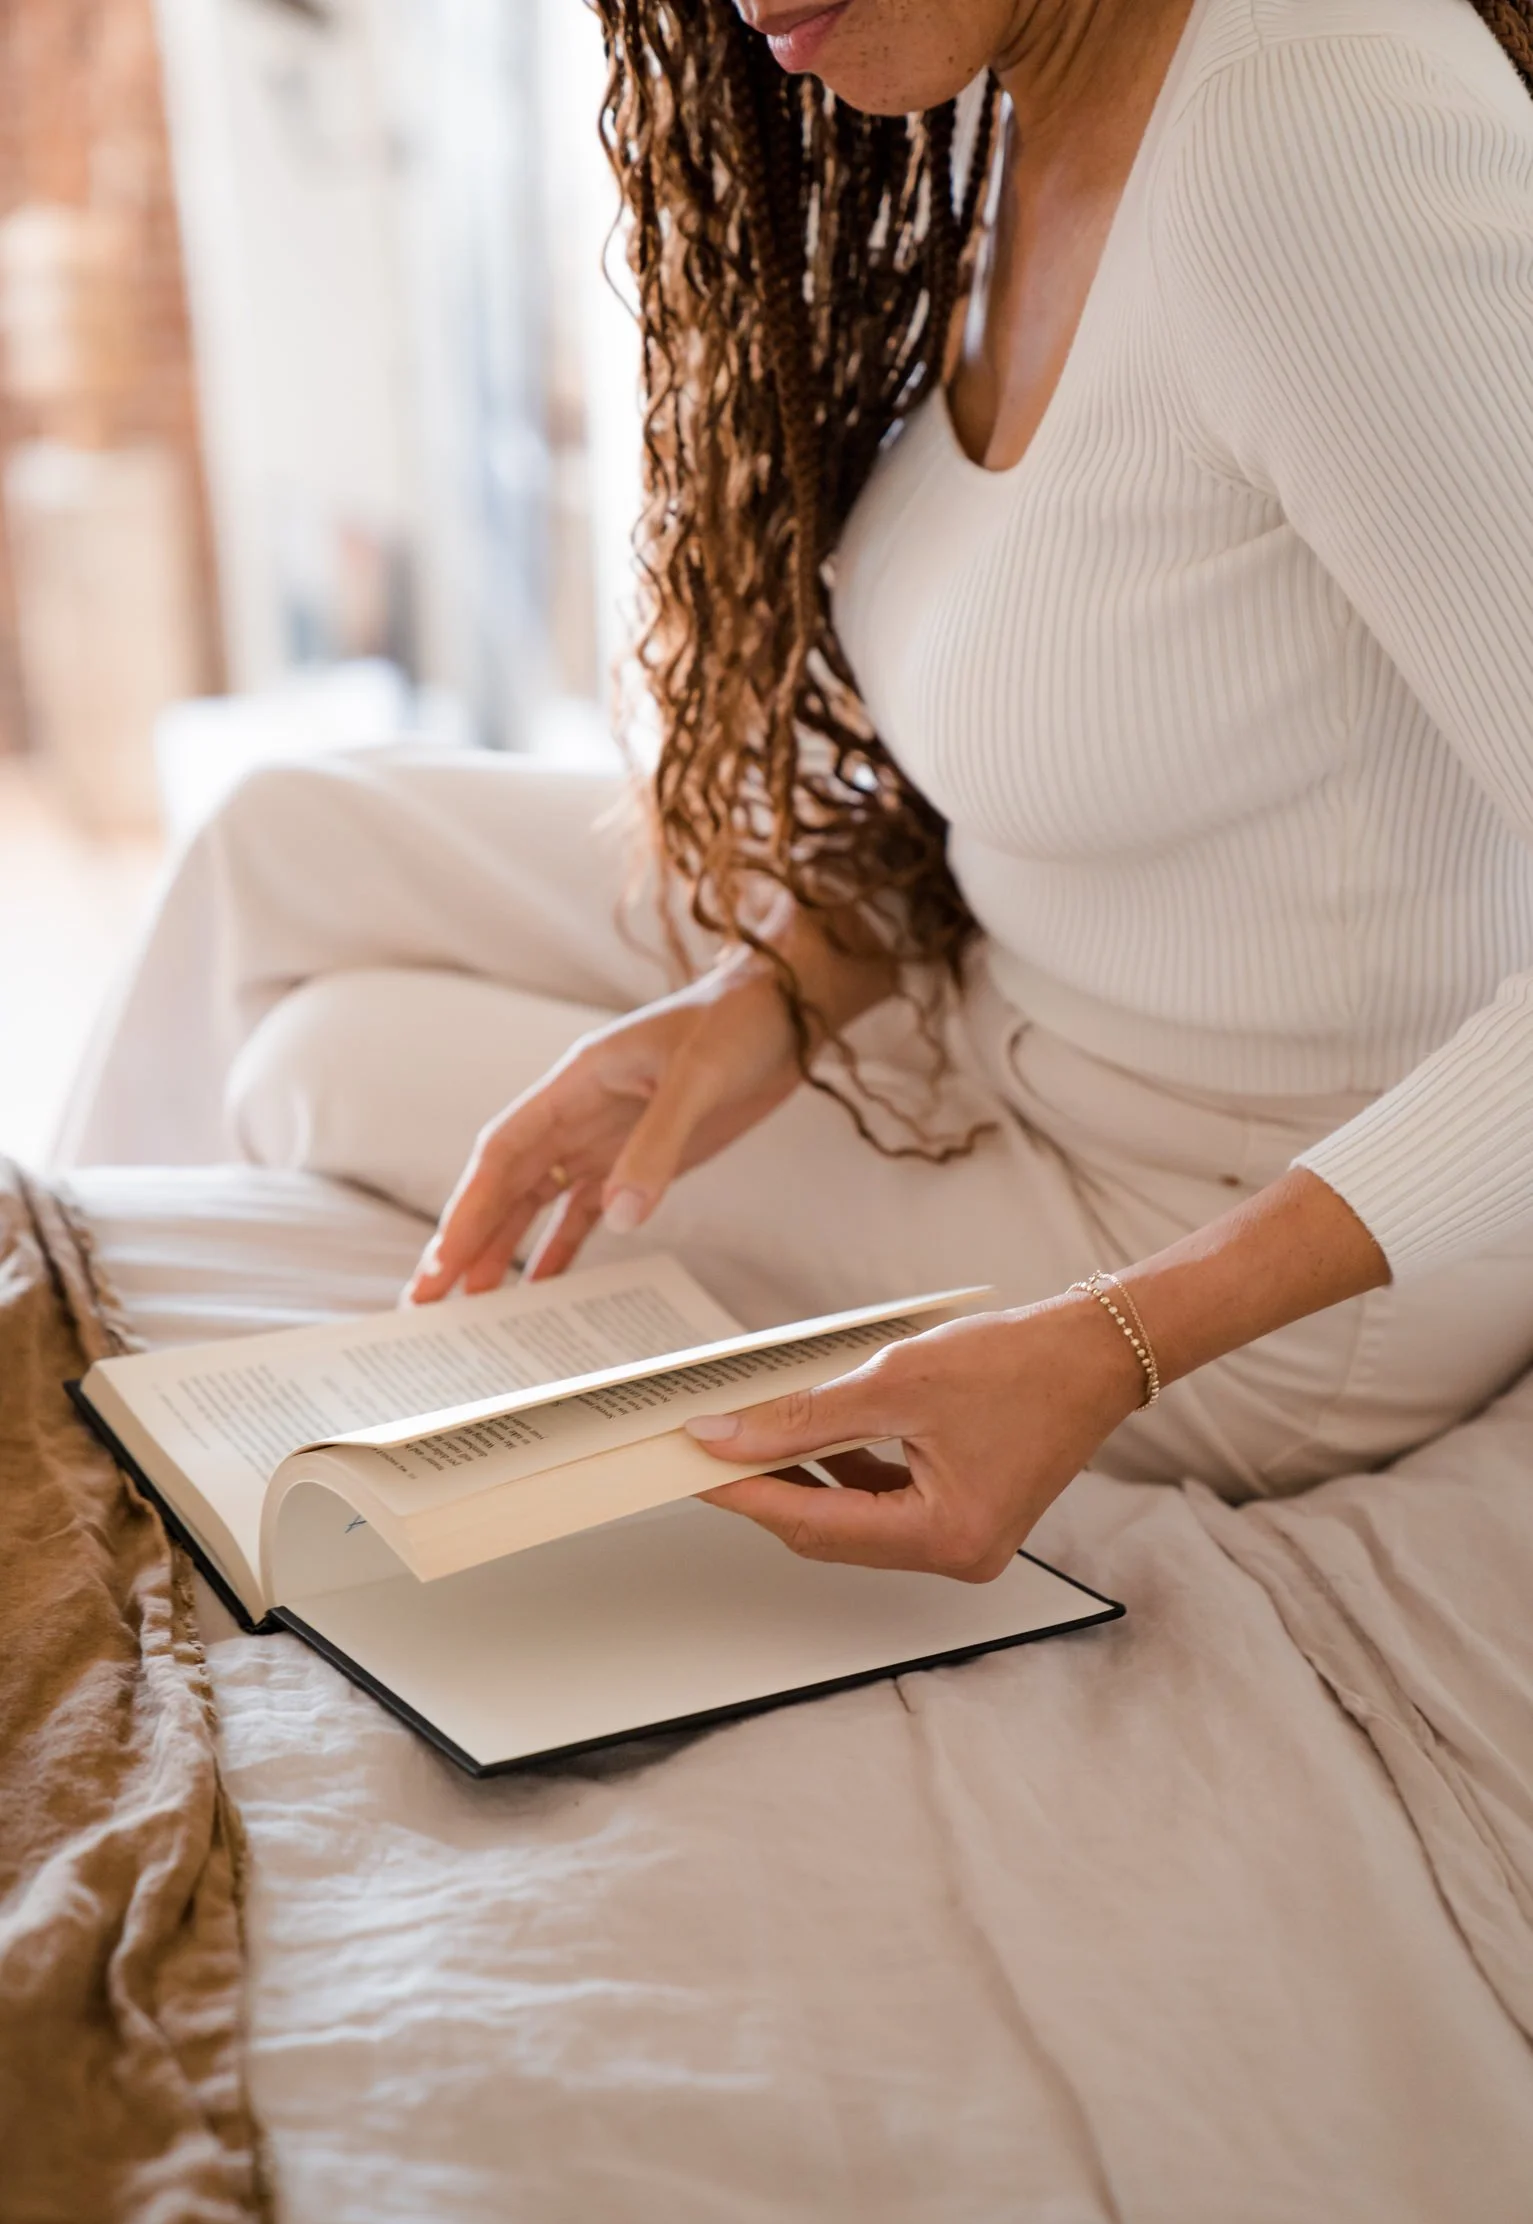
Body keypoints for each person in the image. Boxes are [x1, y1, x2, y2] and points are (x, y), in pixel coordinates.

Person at [65, 0, 1533, 1579]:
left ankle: (72, 1488)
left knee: (328, 1062)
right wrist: (783, 987)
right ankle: (45, 1406)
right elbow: (1090, 740)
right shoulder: (991, 82)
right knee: (282, 840)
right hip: (995, 982)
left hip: (1243, 1231)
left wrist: (1108, 1345)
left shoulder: (1326, 149)